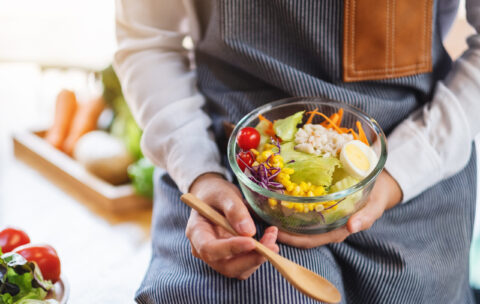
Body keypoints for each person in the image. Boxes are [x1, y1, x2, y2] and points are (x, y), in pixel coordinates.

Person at [114, 0, 480, 302]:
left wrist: (400, 172)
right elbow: (148, 41)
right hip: (233, 175)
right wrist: (199, 172)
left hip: (416, 167)